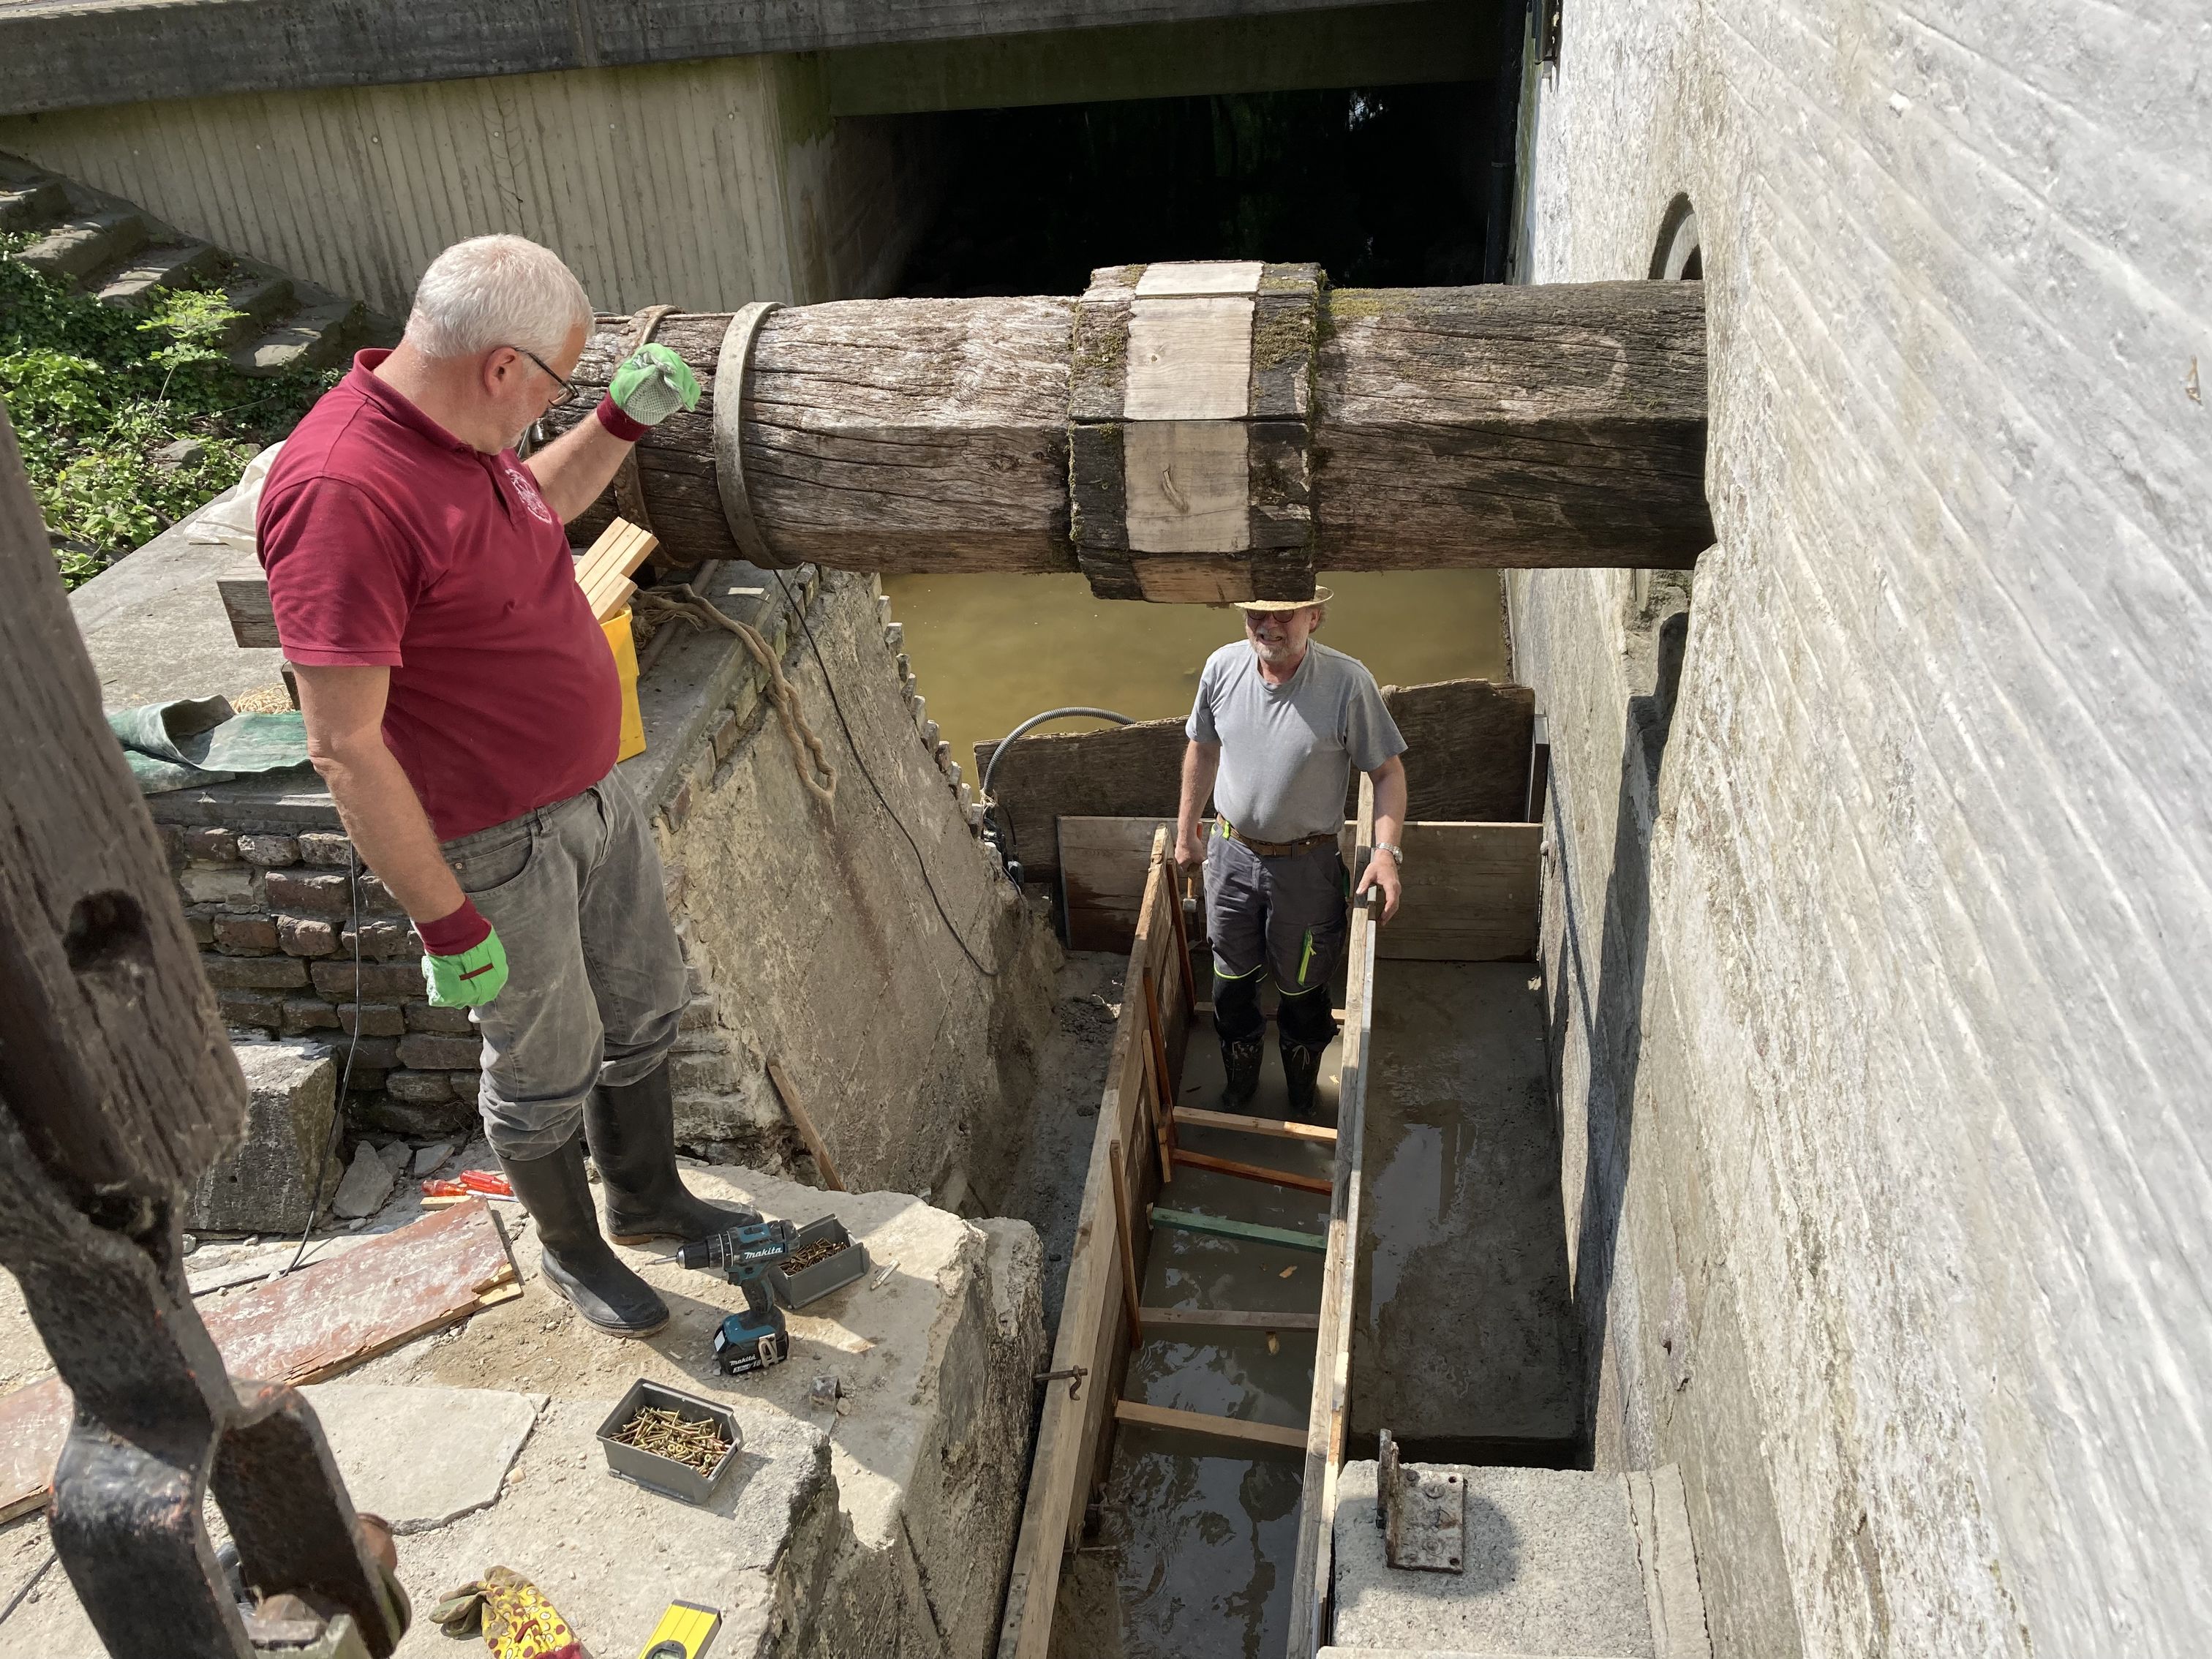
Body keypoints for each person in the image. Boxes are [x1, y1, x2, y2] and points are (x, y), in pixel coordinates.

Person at [256, 234, 740, 1338]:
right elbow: (343, 744)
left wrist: (613, 422)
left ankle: (650, 1200)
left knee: (644, 1000)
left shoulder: (462, 435)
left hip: (590, 791)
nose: (548, 409)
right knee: (544, 1058)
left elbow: (535, 508)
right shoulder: (346, 492)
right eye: (557, 386)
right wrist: (445, 917)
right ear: (501, 367)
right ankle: (572, 1250)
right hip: (492, 839)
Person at [1175, 590, 1407, 1120]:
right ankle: (1240, 1085)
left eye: (1286, 614)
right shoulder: (1222, 667)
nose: (1269, 625)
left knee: (1304, 989)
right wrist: (1188, 829)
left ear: (1315, 617)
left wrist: (1387, 853)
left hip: (1307, 865)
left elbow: (1388, 773)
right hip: (1231, 855)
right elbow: (1203, 747)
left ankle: (1302, 1092)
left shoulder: (1347, 684)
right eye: (1258, 613)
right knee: (1231, 981)